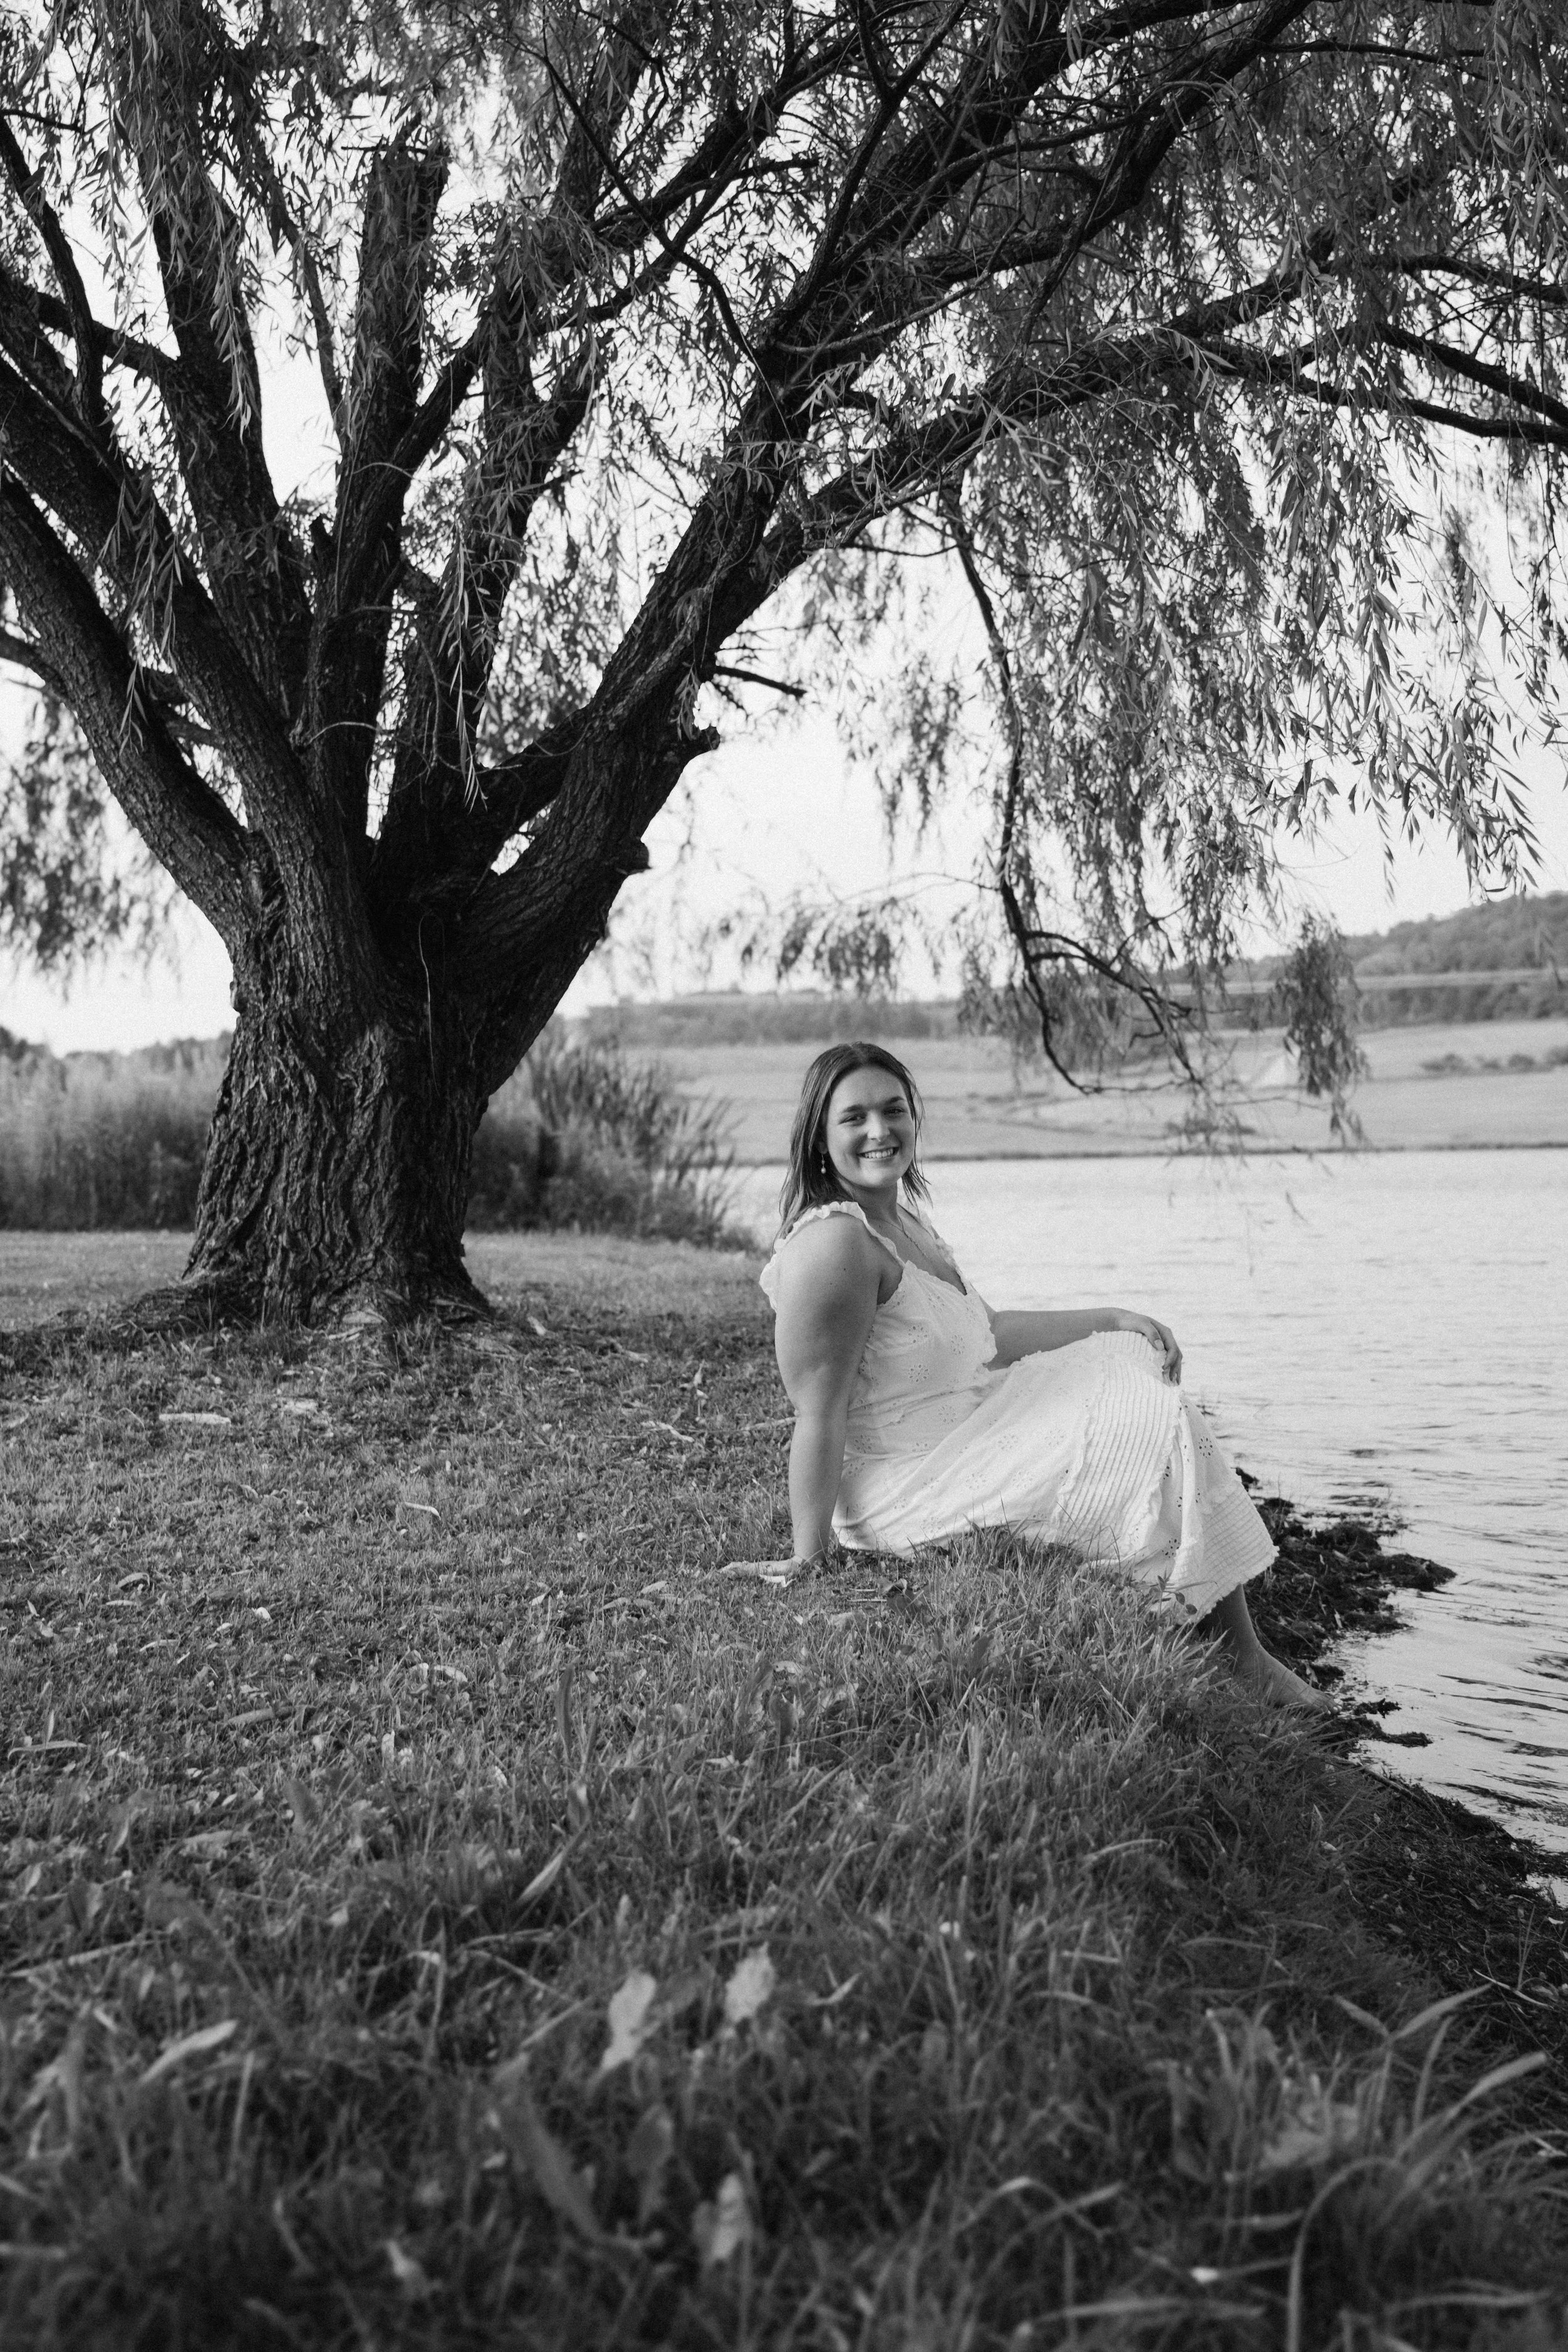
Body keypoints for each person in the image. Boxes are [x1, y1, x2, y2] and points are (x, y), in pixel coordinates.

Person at [729, 1041, 1325, 1710]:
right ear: (818, 1136)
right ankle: (1240, 1657)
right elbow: (818, 1410)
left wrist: (1113, 1314)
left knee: (1131, 1368)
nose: (879, 1130)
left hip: (970, 1430)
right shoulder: (836, 1243)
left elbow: (988, 1335)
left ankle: (1230, 1644)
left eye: (894, 1110)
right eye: (855, 1117)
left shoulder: (903, 1222)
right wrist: (809, 1556)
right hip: (913, 1483)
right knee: (1153, 1424)